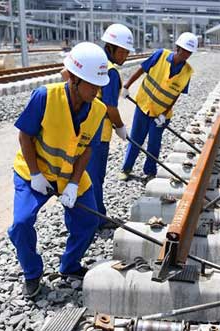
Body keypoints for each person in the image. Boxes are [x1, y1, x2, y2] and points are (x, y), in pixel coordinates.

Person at [8, 42, 110, 297]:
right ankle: (32, 273)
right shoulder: (45, 96)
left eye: (100, 85)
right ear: (74, 79)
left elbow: (86, 150)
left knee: (90, 220)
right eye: (92, 84)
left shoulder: (98, 109)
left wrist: (75, 184)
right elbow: (25, 137)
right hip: (34, 171)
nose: (97, 90)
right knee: (21, 224)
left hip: (68, 175)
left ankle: (70, 265)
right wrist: (35, 174)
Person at [119, 32, 196, 181]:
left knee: (154, 144)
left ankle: (150, 172)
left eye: (189, 52)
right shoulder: (160, 55)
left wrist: (164, 114)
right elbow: (142, 69)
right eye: (184, 51)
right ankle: (126, 169)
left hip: (161, 115)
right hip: (143, 106)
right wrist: (127, 86)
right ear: (177, 47)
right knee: (135, 139)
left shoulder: (187, 72)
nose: (186, 55)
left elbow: (176, 95)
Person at [86, 23, 134, 229]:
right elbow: (110, 107)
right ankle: (97, 219)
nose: (124, 56)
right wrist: (120, 127)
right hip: (99, 133)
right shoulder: (111, 72)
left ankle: (89, 216)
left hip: (85, 128)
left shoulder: (95, 63)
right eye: (122, 51)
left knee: (88, 175)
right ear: (111, 48)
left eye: (126, 52)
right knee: (95, 177)